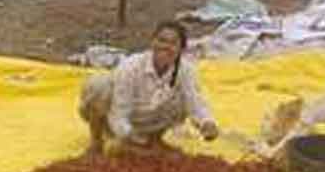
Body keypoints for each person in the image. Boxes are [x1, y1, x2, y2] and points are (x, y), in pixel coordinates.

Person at [77, 21, 220, 155]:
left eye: (173, 43)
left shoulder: (186, 70)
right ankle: (97, 142)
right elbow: (118, 114)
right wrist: (128, 137)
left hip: (152, 122)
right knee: (98, 85)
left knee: (184, 95)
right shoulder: (131, 67)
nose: (165, 46)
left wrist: (207, 124)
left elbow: (196, 104)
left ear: (181, 49)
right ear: (152, 42)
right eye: (161, 40)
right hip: (119, 122)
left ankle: (154, 139)